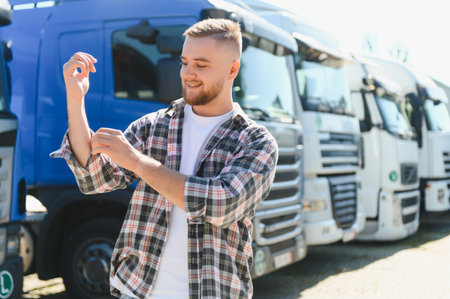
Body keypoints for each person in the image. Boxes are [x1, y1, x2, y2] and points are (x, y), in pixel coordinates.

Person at [51, 18, 278, 299]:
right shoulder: (154, 125)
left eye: (201, 65)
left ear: (232, 69)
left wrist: (135, 161)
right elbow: (95, 178)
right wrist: (76, 99)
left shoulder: (255, 141)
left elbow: (221, 205)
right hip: (137, 290)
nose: (187, 73)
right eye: (184, 62)